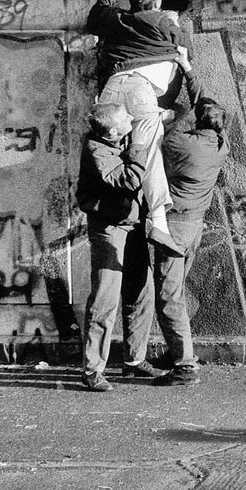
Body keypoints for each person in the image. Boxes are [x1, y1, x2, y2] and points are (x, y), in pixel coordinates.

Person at [86, 0, 184, 256]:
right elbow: (183, 48)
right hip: (141, 90)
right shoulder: (163, 21)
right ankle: (158, 222)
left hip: (112, 89)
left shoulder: (119, 18)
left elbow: (95, 19)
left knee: (105, 148)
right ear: (159, 1)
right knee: (150, 152)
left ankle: (108, 214)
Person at [76, 102, 164, 392]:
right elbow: (129, 179)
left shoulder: (116, 136)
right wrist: (139, 144)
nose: (131, 118)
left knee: (142, 290)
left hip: (132, 223)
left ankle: (134, 361)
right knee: (105, 298)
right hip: (108, 228)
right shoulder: (96, 151)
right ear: (113, 131)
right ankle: (92, 370)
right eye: (127, 117)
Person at [147, 100, 230, 387]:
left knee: (169, 297)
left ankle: (185, 365)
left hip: (174, 228)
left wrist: (177, 114)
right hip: (194, 226)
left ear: (198, 121)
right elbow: (207, 106)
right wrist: (189, 71)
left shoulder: (180, 143)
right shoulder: (221, 144)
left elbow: (161, 135)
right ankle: (177, 353)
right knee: (177, 291)